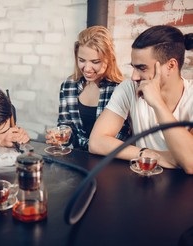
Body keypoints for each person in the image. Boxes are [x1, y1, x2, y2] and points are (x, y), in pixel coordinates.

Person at [89, 25, 193, 173]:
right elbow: (96, 142)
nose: (134, 77)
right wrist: (153, 155)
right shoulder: (129, 88)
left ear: (170, 65)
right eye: (133, 67)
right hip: (143, 180)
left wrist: (157, 103)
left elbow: (190, 163)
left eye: (142, 68)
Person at [47, 26, 130, 150]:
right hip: (77, 157)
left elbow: (120, 136)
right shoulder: (68, 86)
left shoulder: (120, 89)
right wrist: (59, 135)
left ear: (109, 59)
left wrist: (88, 144)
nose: (86, 68)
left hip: (109, 160)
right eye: (82, 60)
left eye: (95, 62)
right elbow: (66, 126)